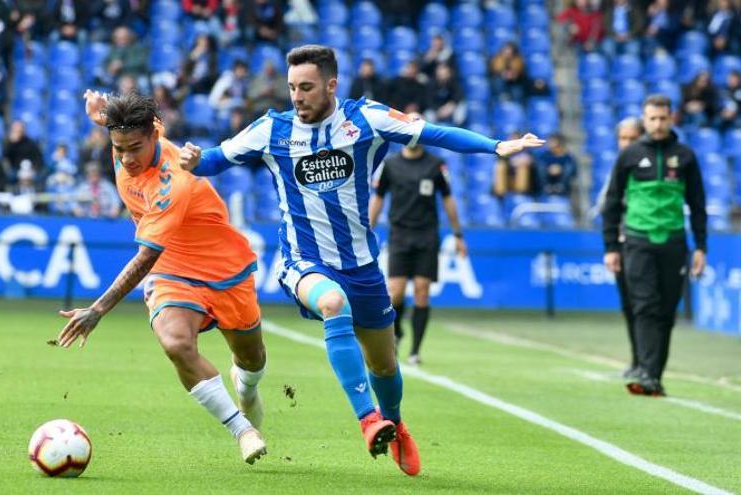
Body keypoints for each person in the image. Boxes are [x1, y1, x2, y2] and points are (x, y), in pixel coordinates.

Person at [178, 45, 544, 476]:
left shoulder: (364, 119)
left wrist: (496, 146)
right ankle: (369, 419)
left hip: (362, 266)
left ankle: (395, 423)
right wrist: (195, 160)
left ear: (332, 85)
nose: (297, 96)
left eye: (307, 87)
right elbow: (215, 161)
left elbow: (434, 133)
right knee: (333, 303)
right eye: (292, 87)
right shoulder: (270, 130)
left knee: (385, 363)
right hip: (304, 260)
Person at [57, 90, 268, 465]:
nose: (125, 159)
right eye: (118, 148)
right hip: (172, 268)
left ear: (155, 135)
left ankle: (246, 388)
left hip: (222, 266)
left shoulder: (174, 181)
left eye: (134, 148)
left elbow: (143, 258)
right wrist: (98, 113)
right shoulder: (127, 137)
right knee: (175, 343)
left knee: (251, 361)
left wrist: (98, 310)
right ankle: (242, 430)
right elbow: (116, 125)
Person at [602, 95, 708, 397]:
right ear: (644, 119)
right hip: (637, 241)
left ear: (671, 117)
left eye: (663, 118)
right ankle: (647, 373)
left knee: (665, 310)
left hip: (674, 242)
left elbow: (697, 204)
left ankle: (654, 376)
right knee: (645, 306)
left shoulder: (686, 156)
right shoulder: (629, 155)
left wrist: (701, 246)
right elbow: (611, 204)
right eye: (652, 119)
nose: (658, 124)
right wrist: (611, 246)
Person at [369, 113, 468, 366]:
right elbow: (378, 199)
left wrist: (458, 235)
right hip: (399, 234)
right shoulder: (390, 164)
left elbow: (448, 199)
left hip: (426, 236)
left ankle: (415, 350)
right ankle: (397, 333)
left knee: (422, 292)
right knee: (396, 293)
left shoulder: (436, 165)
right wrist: (366, 228)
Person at [595, 117, 644, 380]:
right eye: (622, 139)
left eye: (631, 139)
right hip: (622, 244)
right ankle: (637, 359)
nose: (626, 144)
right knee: (628, 305)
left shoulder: (648, 166)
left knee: (644, 305)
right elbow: (605, 204)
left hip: (642, 243)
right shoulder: (618, 167)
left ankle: (647, 361)